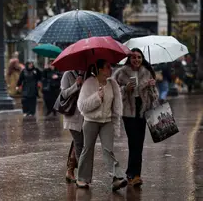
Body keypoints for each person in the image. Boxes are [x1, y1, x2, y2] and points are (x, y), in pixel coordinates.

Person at [76, 59, 127, 191]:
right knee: (87, 149)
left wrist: (116, 122)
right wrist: (97, 97)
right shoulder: (89, 83)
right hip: (91, 121)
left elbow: (116, 106)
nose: (110, 69)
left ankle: (117, 178)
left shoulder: (112, 83)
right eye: (107, 67)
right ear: (99, 69)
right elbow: (82, 106)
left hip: (107, 121)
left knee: (108, 149)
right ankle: (82, 179)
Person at [114, 48, 158, 187]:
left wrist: (151, 87)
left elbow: (155, 96)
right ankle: (132, 174)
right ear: (129, 59)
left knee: (139, 143)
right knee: (133, 142)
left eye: (139, 57)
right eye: (133, 57)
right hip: (128, 112)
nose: (136, 60)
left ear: (142, 58)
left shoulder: (147, 72)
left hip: (143, 111)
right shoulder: (121, 73)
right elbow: (114, 93)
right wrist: (125, 89)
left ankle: (135, 174)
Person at [60, 70, 85, 182]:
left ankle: (70, 171)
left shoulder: (89, 73)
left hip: (86, 115)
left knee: (79, 142)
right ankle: (82, 175)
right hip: (73, 115)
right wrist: (77, 84)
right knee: (79, 143)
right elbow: (64, 94)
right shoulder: (68, 74)